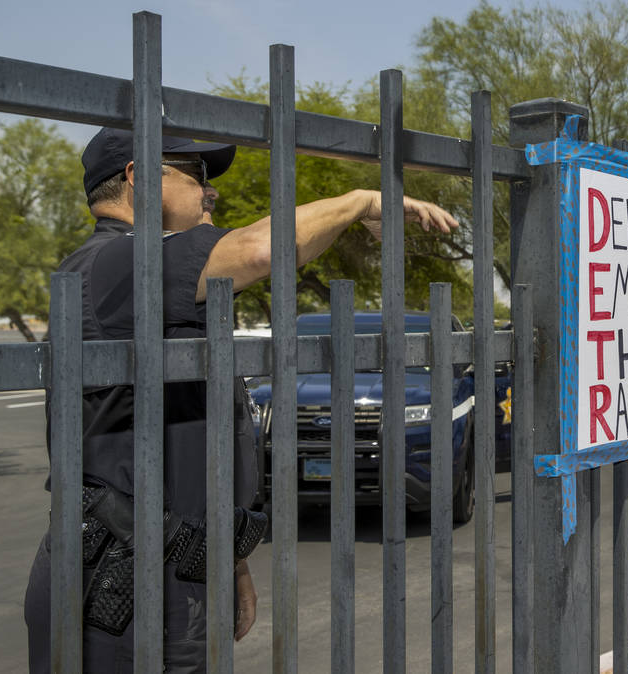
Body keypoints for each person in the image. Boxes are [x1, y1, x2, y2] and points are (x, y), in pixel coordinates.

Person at [24, 127, 458, 673]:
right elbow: (260, 248)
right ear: (140, 177)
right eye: (198, 176)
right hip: (117, 583)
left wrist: (230, 561)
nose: (212, 193)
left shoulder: (156, 278)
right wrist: (362, 201)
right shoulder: (112, 263)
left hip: (176, 567)